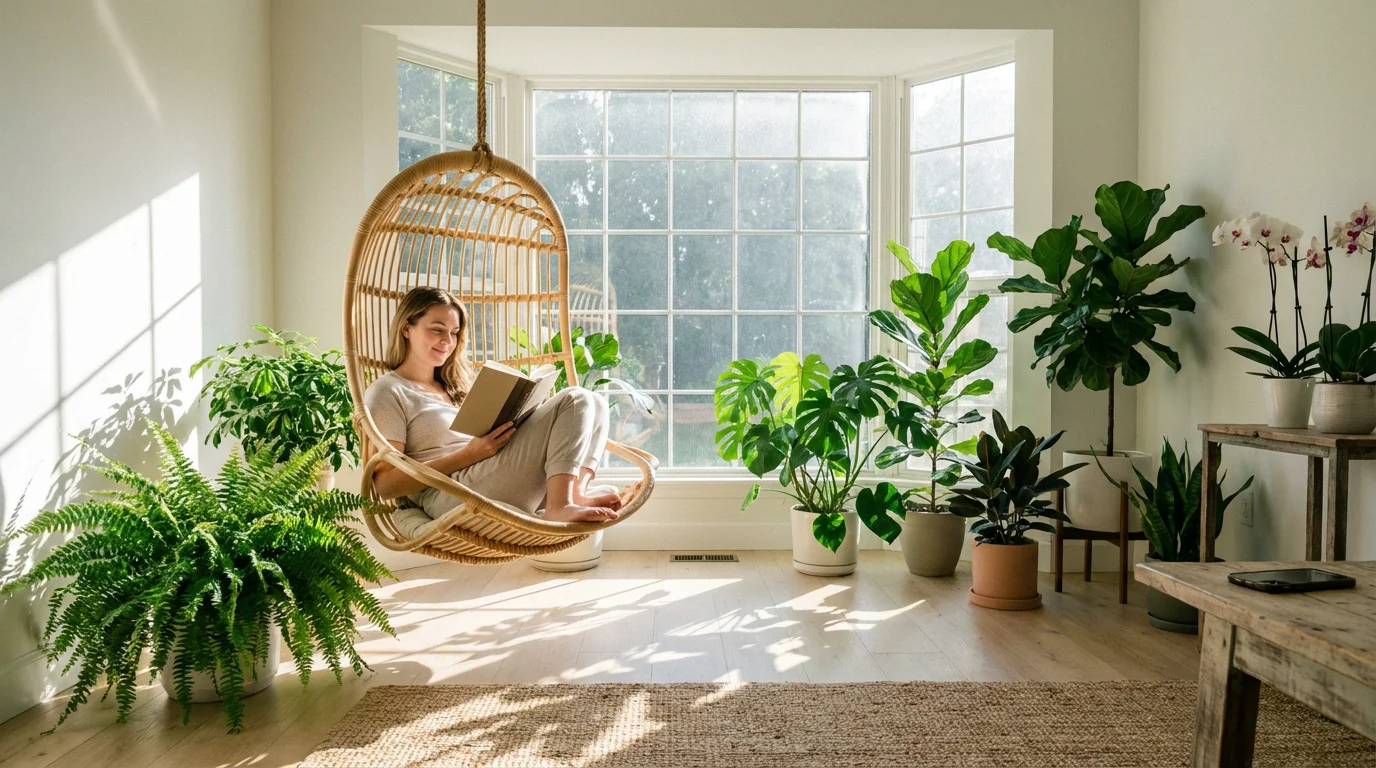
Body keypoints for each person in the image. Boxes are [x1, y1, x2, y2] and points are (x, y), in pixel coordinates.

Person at [365, 286, 621, 524]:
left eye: (454, 333)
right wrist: (470, 455)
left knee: (595, 402)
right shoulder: (387, 391)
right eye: (437, 329)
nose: (447, 341)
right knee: (575, 399)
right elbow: (385, 485)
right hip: (449, 493)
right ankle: (560, 505)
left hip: (487, 473)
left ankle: (574, 492)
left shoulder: (453, 386)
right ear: (406, 328)